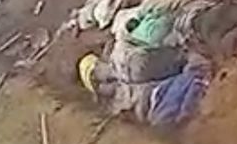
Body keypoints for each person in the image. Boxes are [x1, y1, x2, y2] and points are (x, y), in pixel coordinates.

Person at [77, 50, 212, 126]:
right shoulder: (113, 109)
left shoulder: (124, 66)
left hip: (160, 91)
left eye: (96, 74)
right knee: (162, 121)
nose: (101, 82)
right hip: (155, 106)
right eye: (96, 83)